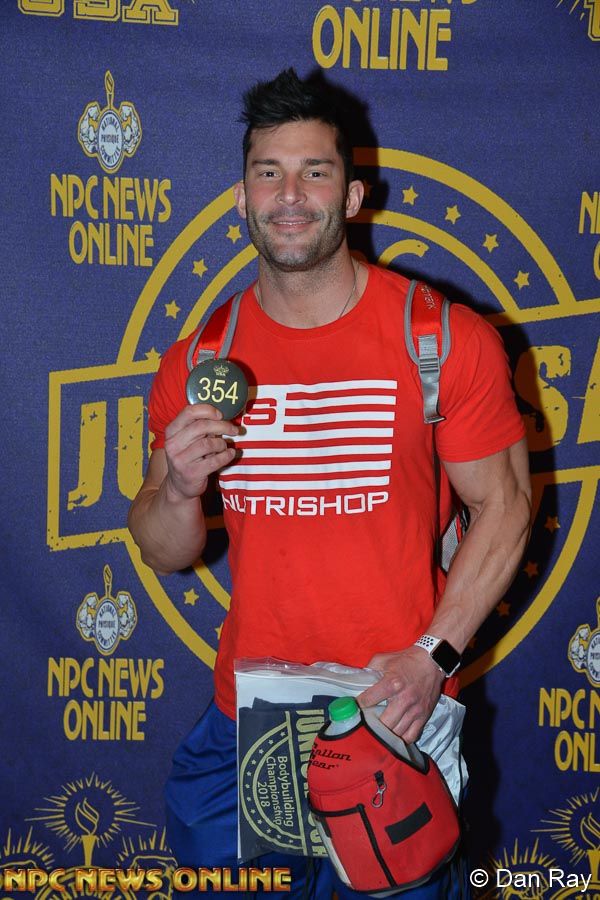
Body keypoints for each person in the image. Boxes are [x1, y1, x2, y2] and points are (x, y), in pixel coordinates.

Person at [128, 69, 531, 898]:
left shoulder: (439, 339)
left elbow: (506, 507)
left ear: (351, 197)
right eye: (268, 172)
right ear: (241, 198)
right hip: (248, 719)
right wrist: (177, 491)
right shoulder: (201, 359)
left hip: (393, 709)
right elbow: (164, 549)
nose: (289, 195)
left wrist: (432, 657)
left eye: (314, 171)